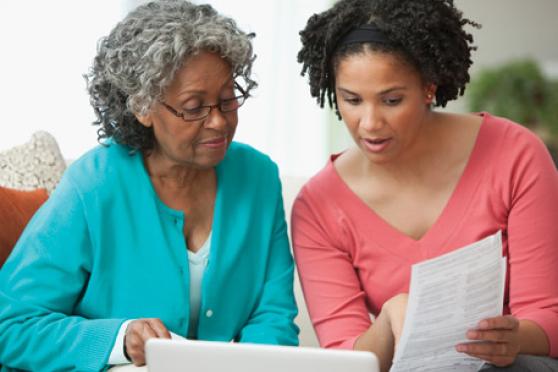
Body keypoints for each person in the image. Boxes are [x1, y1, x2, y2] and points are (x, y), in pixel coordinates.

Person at [0, 1, 299, 370]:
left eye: (227, 99)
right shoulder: (93, 185)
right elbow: (11, 325)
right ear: (142, 107)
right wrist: (121, 339)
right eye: (194, 106)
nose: (219, 122)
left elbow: (273, 317)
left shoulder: (258, 178)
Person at [292, 0, 558, 371]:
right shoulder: (318, 206)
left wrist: (510, 339)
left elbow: (547, 316)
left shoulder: (516, 155)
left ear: (429, 87)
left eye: (392, 100)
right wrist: (388, 320)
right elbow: (344, 357)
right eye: (351, 100)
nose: (369, 123)